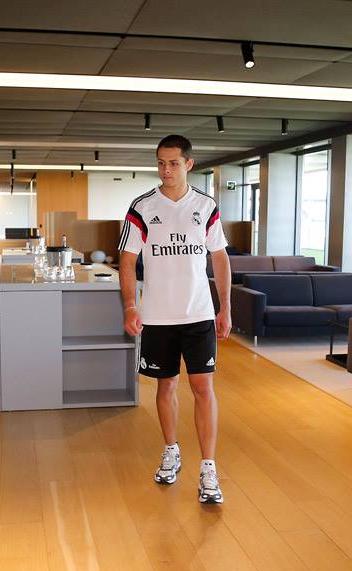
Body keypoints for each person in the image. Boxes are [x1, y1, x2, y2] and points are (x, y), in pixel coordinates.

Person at [119, 134, 232, 504]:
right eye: (161, 163)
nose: (166, 170)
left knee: (203, 387)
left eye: (173, 163)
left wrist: (225, 307)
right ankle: (171, 451)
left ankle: (209, 469)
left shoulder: (206, 206)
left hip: (198, 313)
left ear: (188, 164)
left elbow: (219, 258)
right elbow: (127, 261)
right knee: (165, 386)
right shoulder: (141, 207)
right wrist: (130, 306)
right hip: (157, 317)